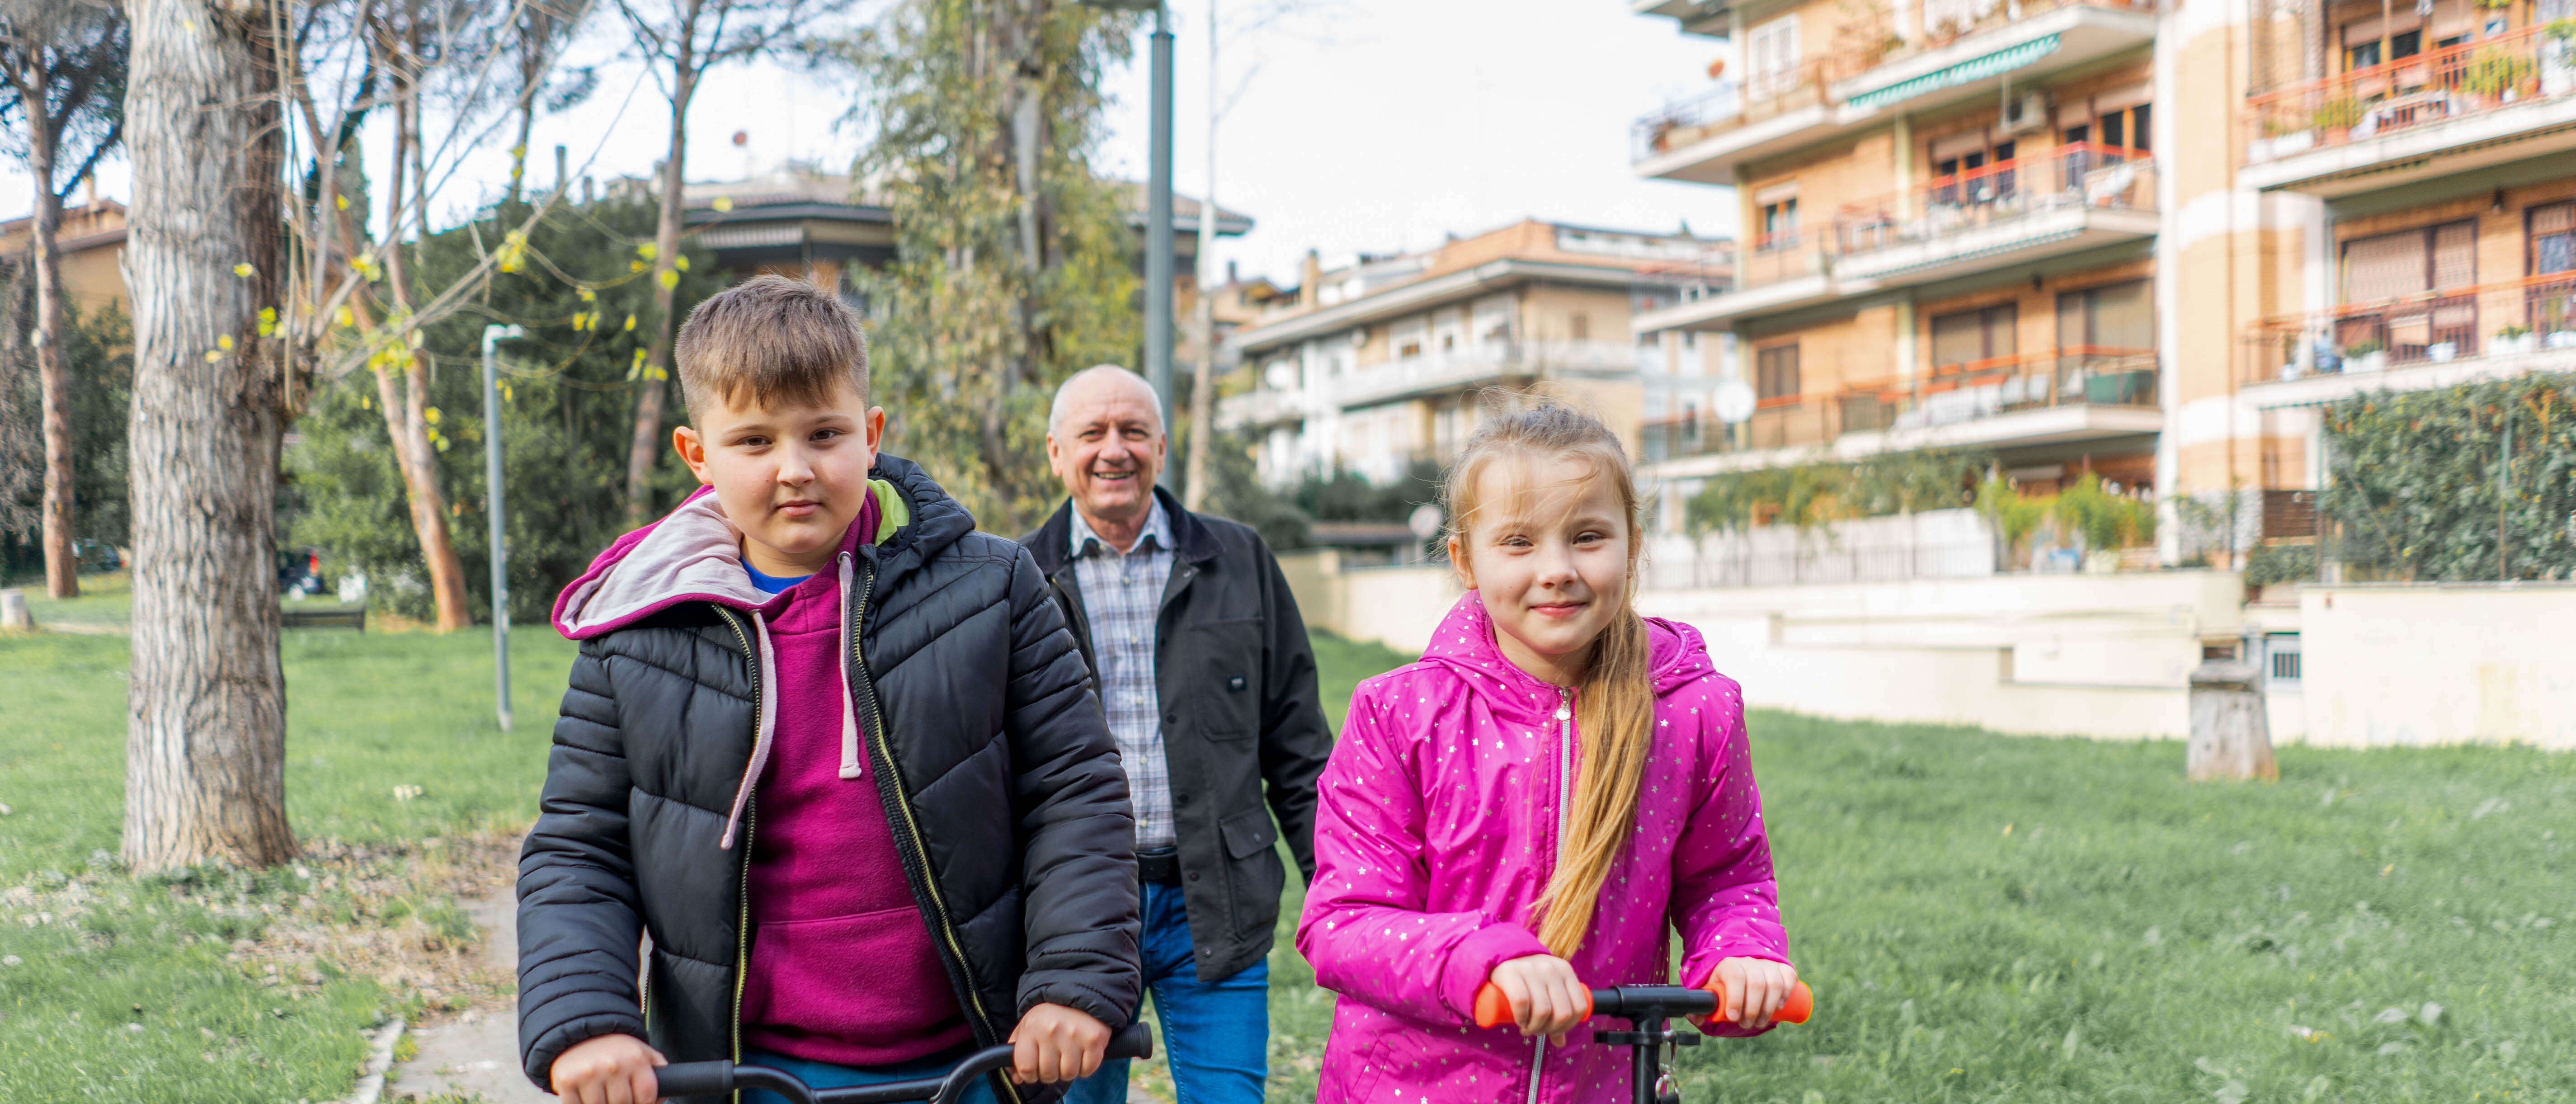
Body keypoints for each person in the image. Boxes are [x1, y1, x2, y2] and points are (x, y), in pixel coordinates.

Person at [518, 276, 1141, 1104]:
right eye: (753, 442)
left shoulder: (995, 587)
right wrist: (587, 1016)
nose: (795, 470)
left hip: (974, 1060)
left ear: (872, 434)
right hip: (750, 1071)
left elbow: (1077, 791)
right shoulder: (636, 631)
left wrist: (1072, 976)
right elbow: (579, 848)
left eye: (824, 433)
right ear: (697, 454)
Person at [1294, 403, 1797, 1104]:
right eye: (1519, 543)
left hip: (1598, 1085)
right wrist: (1479, 960)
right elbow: (1343, 921)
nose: (1557, 569)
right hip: (1410, 1087)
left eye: (1588, 536)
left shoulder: (1694, 712)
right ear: (1465, 560)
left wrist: (1742, 954)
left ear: (1634, 544)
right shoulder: (1399, 713)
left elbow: (1727, 879)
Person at [1019, 365, 1333, 1104]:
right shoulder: (1015, 578)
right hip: (1076, 915)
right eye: (1091, 433)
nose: (1113, 449)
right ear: (1056, 453)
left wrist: (1341, 888)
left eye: (1132, 431)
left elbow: (1298, 746)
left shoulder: (1240, 559)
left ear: (1161, 446)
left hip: (1216, 903)